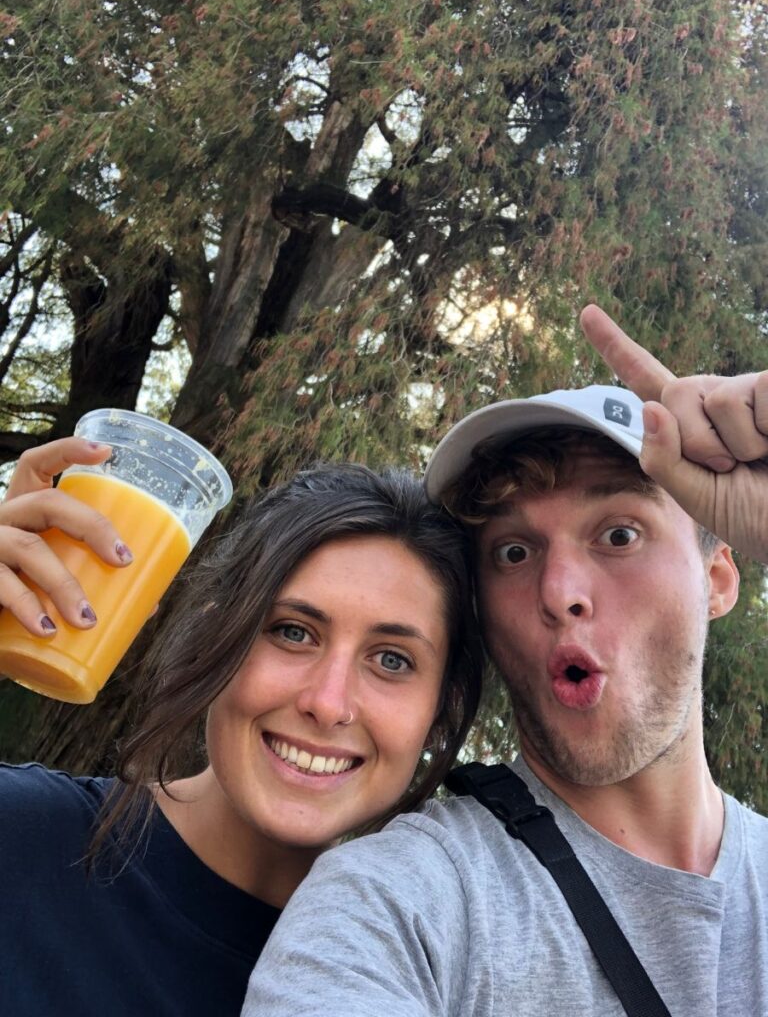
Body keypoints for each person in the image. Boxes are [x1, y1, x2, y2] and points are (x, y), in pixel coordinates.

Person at [242, 304, 768, 1016]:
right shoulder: (399, 904)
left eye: (618, 534)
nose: (559, 593)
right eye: (513, 553)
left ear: (717, 580)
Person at [0, 441, 483, 1017]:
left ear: (440, 713)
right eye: (293, 632)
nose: (328, 704)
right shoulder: (19, 836)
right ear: (215, 637)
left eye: (393, 661)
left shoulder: (427, 981)